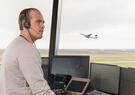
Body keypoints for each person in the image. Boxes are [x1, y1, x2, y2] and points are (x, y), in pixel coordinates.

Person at [0, 8, 55, 95]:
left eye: (43, 22)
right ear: (25, 24)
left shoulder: (15, 44)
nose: (43, 26)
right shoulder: (27, 49)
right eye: (38, 21)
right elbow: (41, 91)